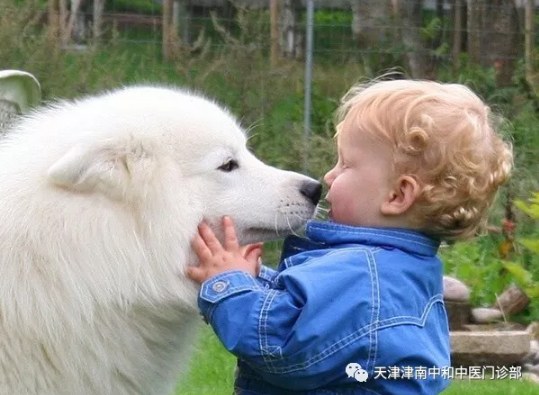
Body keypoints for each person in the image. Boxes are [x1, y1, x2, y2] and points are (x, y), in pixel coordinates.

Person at [186, 78, 513, 394]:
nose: (329, 175)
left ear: (398, 195)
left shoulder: (363, 276)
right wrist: (255, 279)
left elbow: (279, 343)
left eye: (346, 165)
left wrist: (229, 285)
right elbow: (313, 314)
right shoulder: (396, 272)